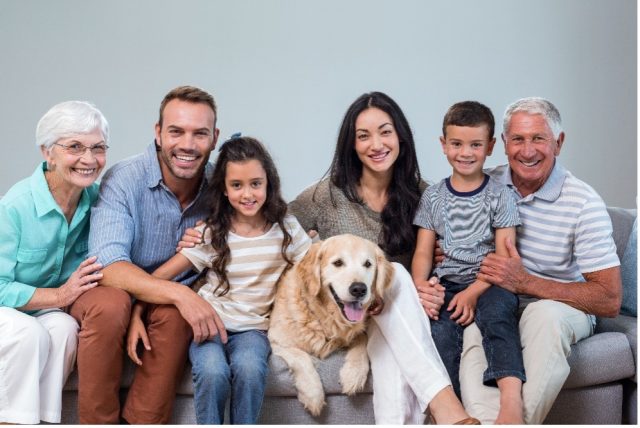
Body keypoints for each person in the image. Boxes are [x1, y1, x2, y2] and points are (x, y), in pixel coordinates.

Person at [287, 92, 479, 424]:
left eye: (385, 131)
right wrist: (208, 230)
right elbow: (275, 229)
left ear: (400, 137)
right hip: (347, 318)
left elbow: (454, 257)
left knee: (398, 283)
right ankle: (444, 405)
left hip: (400, 314)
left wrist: (431, 282)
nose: (376, 144)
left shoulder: (425, 194)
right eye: (364, 136)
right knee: (397, 274)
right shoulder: (325, 195)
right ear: (352, 144)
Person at [455, 97, 622, 424]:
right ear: (503, 144)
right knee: (475, 327)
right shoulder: (482, 186)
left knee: (543, 316)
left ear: (558, 143)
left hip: (560, 307)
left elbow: (610, 299)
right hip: (497, 303)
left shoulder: (583, 203)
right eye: (517, 139)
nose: (527, 151)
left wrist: (525, 282)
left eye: (538, 139)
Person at [67, 86, 225, 424]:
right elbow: (107, 266)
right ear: (158, 134)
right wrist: (179, 293)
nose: (187, 144)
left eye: (200, 134)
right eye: (176, 131)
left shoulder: (222, 187)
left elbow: (265, 218)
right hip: (110, 294)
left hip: (162, 304)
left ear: (214, 138)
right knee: (112, 304)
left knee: (175, 316)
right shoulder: (124, 180)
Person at [129, 136, 311, 424]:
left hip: (254, 330)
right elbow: (161, 276)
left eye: (256, 183)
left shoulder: (285, 226)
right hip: (209, 324)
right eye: (236, 185)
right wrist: (137, 312)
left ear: (268, 183)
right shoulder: (213, 233)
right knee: (213, 372)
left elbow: (314, 266)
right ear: (224, 190)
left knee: (250, 369)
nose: (247, 194)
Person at [411, 101, 525, 424]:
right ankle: (452, 413)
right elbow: (423, 251)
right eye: (457, 144)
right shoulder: (433, 197)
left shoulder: (500, 195)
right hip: (446, 284)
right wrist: (422, 287)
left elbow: (504, 257)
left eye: (476, 144)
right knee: (439, 334)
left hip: (490, 283)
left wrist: (474, 292)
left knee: (498, 317)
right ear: (443, 145)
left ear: (490, 147)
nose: (465, 152)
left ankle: (511, 402)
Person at [0, 101, 109, 424]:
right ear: (48, 152)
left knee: (64, 328)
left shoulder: (99, 201)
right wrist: (60, 296)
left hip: (46, 312)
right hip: (8, 311)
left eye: (98, 148)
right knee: (26, 333)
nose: (89, 159)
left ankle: (46, 421)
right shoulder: (15, 207)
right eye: (75, 147)